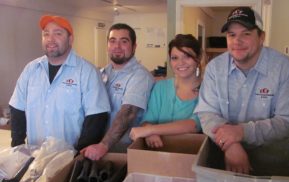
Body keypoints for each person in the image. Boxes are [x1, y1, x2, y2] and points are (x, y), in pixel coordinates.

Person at [195, 7, 289, 174]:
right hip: (223, 154)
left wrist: (241, 132)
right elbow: (207, 113)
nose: (237, 41)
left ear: (261, 37)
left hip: (273, 161)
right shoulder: (214, 69)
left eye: (246, 34)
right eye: (232, 35)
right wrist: (231, 144)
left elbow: (288, 123)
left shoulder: (285, 69)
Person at [9, 15, 110, 150]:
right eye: (46, 34)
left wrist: (80, 155)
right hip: (34, 156)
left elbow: (96, 117)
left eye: (58, 34)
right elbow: (17, 109)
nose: (50, 39)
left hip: (69, 159)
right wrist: (18, 148)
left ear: (70, 39)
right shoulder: (31, 70)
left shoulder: (87, 72)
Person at [81, 23, 154, 160]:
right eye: (112, 41)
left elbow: (128, 113)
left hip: (122, 152)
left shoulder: (140, 76)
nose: (117, 46)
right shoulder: (101, 73)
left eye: (124, 41)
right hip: (96, 149)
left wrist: (103, 145)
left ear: (134, 47)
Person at [129, 34, 202, 148]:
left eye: (187, 56)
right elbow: (148, 120)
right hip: (159, 154)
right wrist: (150, 133)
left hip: (191, 155)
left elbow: (194, 125)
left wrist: (149, 131)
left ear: (198, 58)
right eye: (175, 58)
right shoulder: (161, 88)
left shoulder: (207, 90)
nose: (180, 63)